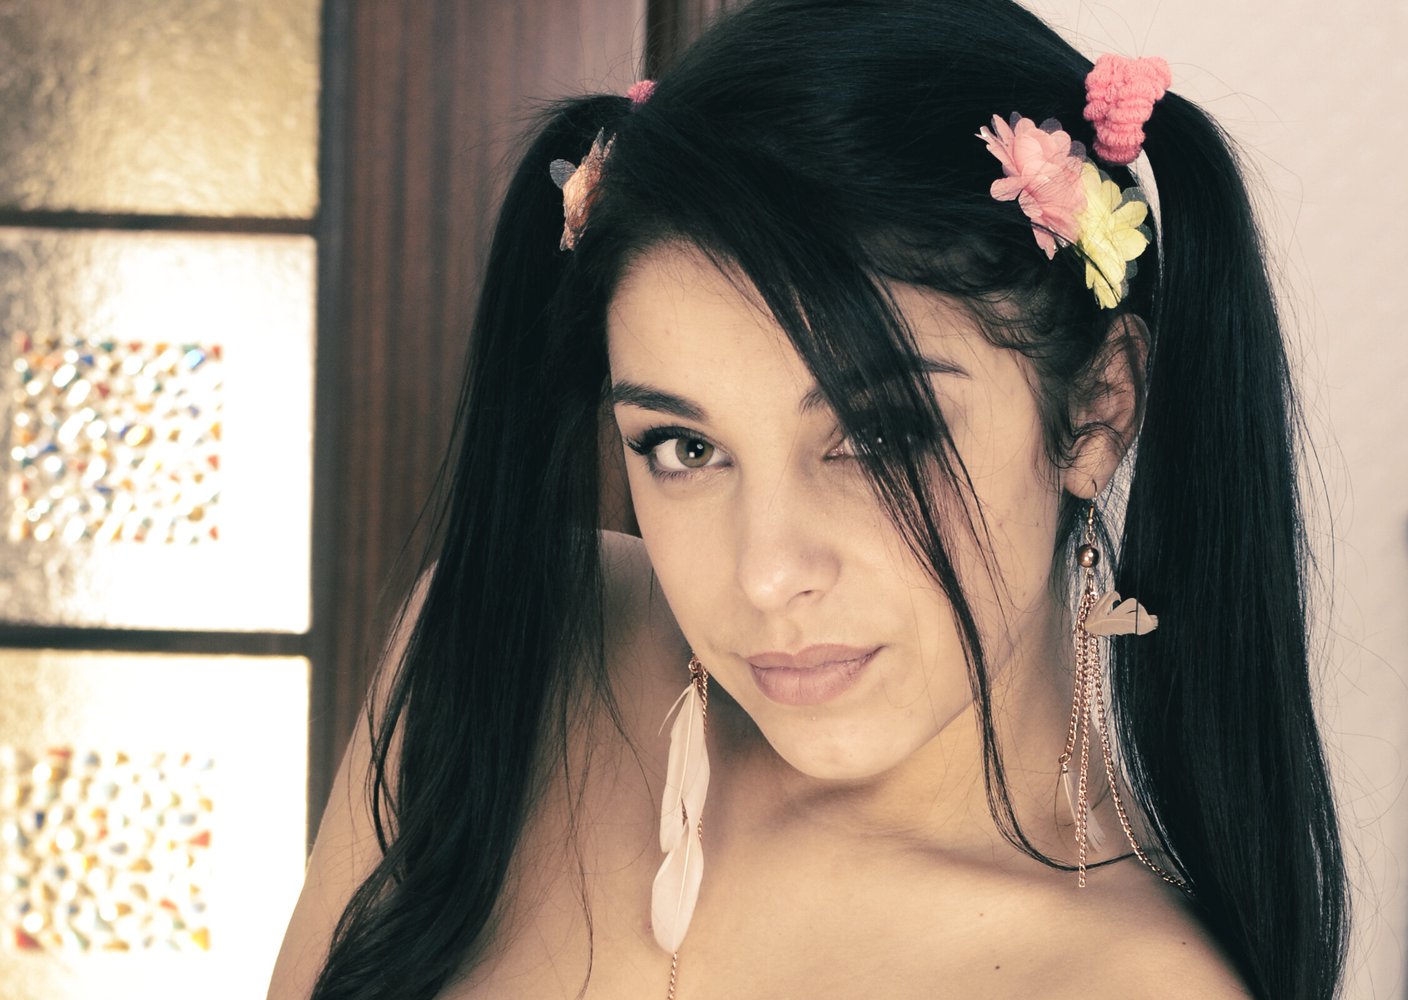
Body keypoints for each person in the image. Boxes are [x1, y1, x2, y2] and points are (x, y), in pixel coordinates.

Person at [268, 0, 1349, 997]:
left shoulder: (1129, 983)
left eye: (877, 439)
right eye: (685, 446)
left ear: (1099, 410)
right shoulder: (503, 647)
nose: (766, 573)